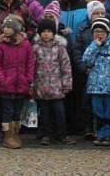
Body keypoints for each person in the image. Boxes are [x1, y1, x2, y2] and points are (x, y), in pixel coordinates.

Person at [0, 15, 34, 149]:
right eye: (5, 27)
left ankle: (15, 132)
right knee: (8, 110)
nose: (6, 29)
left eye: (9, 27)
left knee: (17, 111)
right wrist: (0, 78)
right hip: (6, 84)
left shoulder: (26, 45)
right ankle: (8, 134)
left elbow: (30, 62)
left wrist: (28, 78)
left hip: (21, 83)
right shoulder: (1, 45)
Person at [81, 17, 110, 147]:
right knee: (98, 111)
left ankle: (109, 134)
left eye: (101, 32)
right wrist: (94, 46)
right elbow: (86, 61)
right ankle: (99, 134)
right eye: (96, 32)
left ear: (107, 33)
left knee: (109, 112)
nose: (99, 34)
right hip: (95, 86)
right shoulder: (92, 46)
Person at [32, 17, 73, 146]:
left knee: (60, 112)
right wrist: (31, 85)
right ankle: (46, 135)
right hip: (41, 87)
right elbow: (32, 68)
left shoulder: (60, 48)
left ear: (53, 33)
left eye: (49, 31)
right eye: (43, 31)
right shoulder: (35, 49)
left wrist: (66, 84)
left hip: (57, 87)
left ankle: (62, 135)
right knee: (44, 114)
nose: (46, 34)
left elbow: (66, 67)